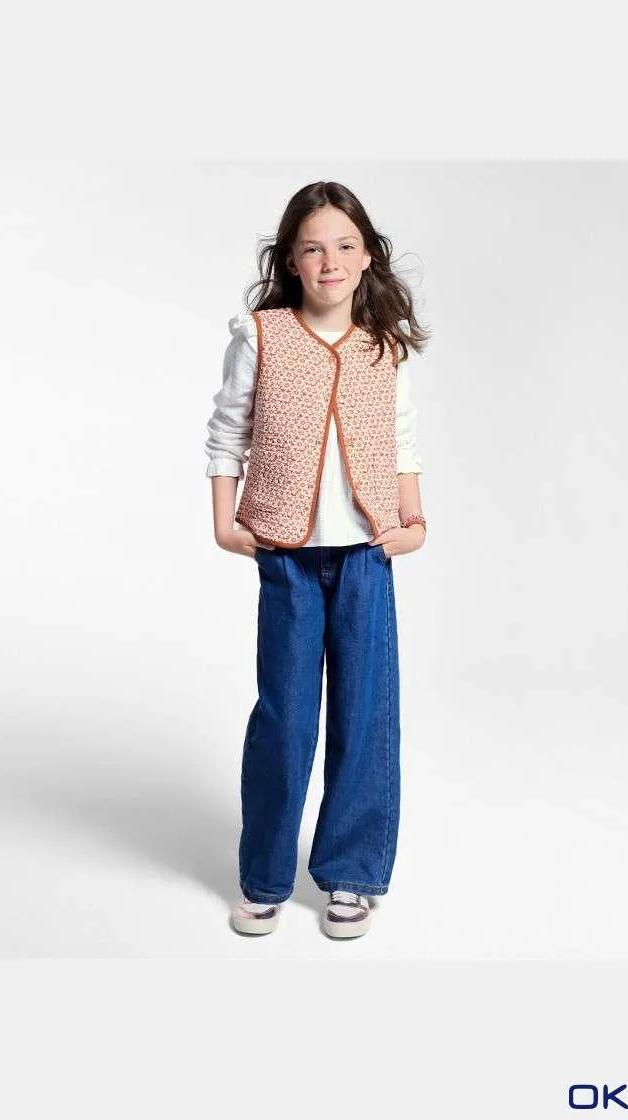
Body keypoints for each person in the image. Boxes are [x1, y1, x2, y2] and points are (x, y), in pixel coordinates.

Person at [204, 181, 429, 939]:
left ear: (367, 257)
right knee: (286, 717)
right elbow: (226, 432)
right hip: (288, 555)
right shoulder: (260, 336)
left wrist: (414, 520)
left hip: (367, 553)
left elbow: (401, 441)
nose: (329, 261)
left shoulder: (384, 346)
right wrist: (224, 522)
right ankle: (265, 876)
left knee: (366, 716)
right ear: (291, 261)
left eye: (344, 245)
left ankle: (352, 872)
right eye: (312, 248)